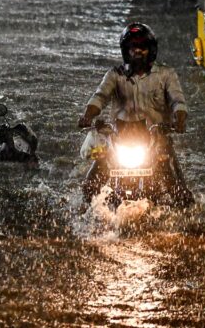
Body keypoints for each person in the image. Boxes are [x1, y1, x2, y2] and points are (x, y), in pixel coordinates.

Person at [77, 23, 192, 205]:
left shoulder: (166, 74)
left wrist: (179, 120)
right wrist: (88, 116)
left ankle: (185, 217)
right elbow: (99, 96)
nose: (137, 51)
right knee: (89, 187)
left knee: (178, 191)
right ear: (126, 50)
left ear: (151, 50)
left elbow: (178, 101)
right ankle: (82, 217)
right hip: (120, 136)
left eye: (142, 47)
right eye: (132, 47)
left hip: (156, 136)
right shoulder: (115, 75)